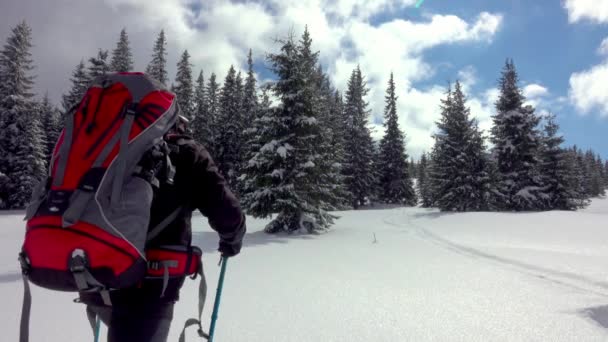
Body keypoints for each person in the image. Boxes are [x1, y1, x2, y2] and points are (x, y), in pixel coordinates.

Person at [80, 115, 246, 342]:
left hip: (101, 273)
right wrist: (231, 240)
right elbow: (228, 212)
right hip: (156, 281)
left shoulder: (115, 150)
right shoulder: (189, 153)